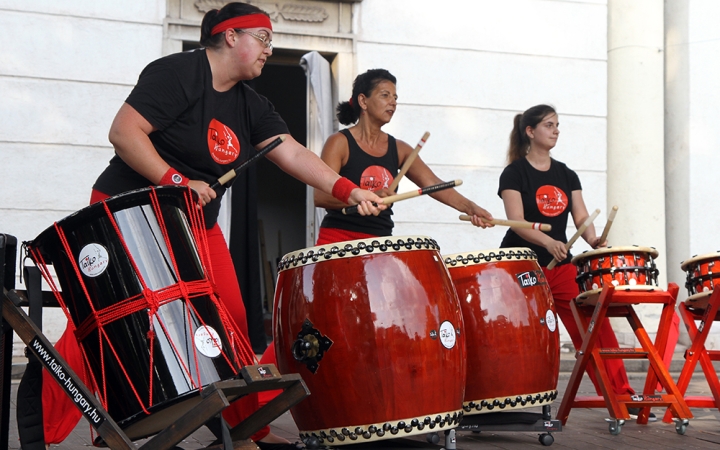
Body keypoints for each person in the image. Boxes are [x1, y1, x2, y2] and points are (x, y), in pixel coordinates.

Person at [40, 3, 385, 449]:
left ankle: (244, 432)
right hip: (128, 214)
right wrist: (177, 181)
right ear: (229, 36)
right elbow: (125, 133)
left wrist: (348, 190)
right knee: (103, 326)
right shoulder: (177, 73)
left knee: (232, 318)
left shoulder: (250, 104)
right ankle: (42, 431)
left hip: (192, 224)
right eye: (262, 39)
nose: (268, 50)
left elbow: (293, 153)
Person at [497, 104, 655, 420]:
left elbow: (581, 216)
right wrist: (547, 241)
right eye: (548, 125)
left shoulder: (566, 173)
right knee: (520, 334)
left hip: (563, 267)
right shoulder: (514, 172)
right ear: (530, 131)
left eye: (558, 125)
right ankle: (501, 400)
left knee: (594, 327)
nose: (556, 130)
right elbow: (516, 221)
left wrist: (593, 240)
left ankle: (621, 396)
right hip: (523, 266)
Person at [313, 68, 494, 245]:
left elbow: (433, 184)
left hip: (380, 242)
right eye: (385, 95)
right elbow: (321, 196)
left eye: (395, 97)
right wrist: (369, 195)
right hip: (338, 241)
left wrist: (470, 208)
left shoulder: (400, 149)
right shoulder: (339, 142)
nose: (393, 102)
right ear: (363, 101)